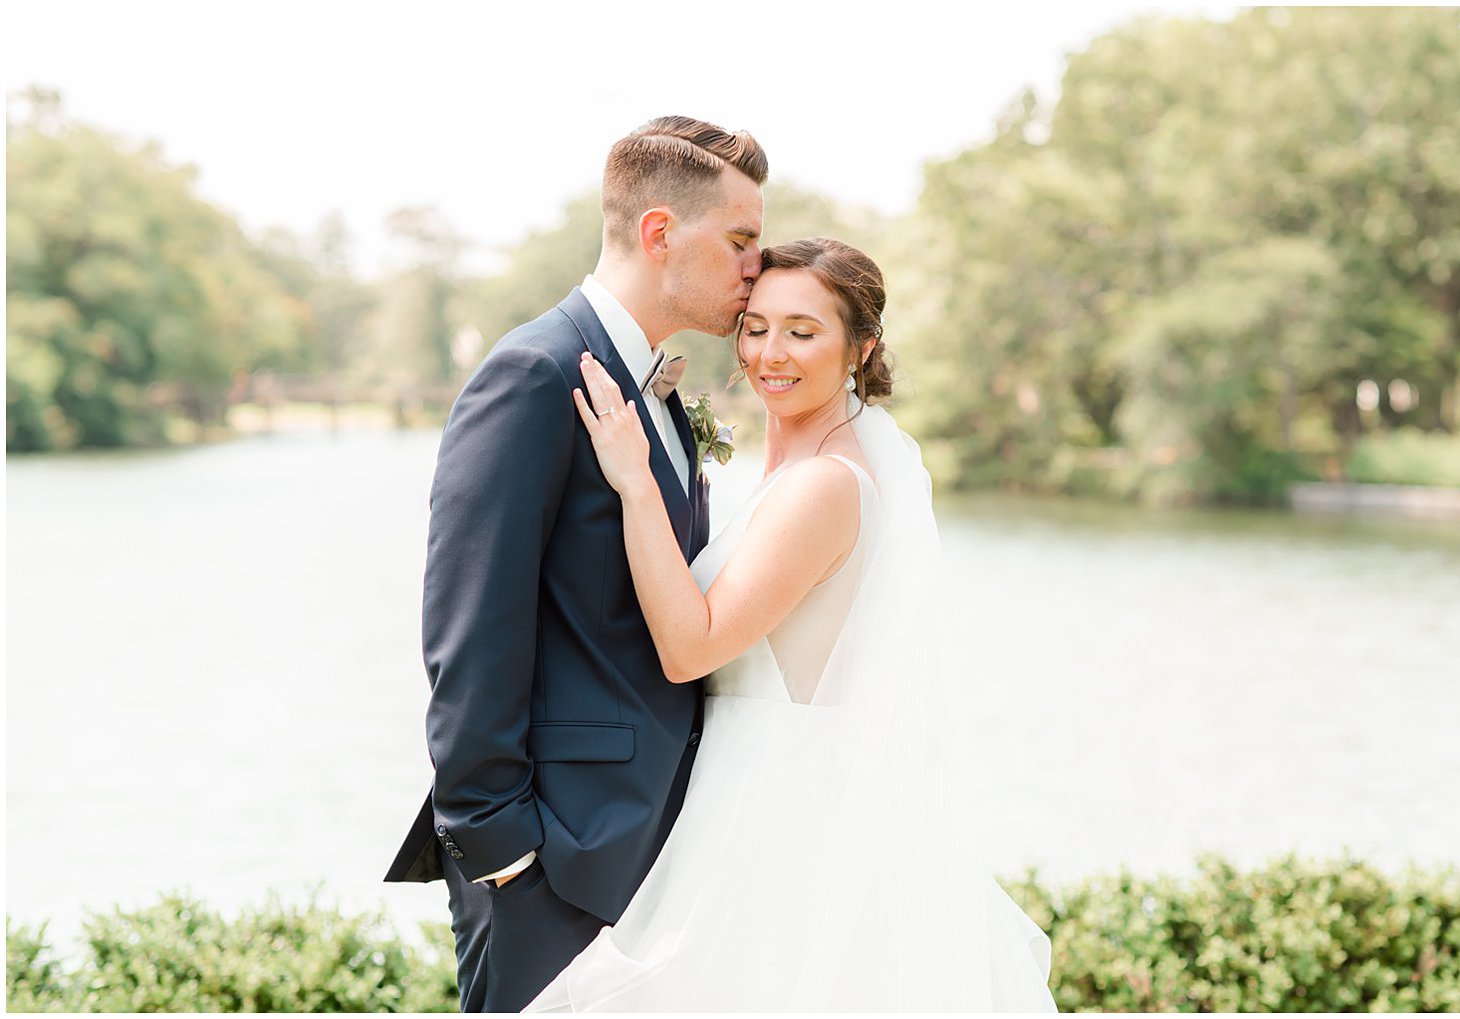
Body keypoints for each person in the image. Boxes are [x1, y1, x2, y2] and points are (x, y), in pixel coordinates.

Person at [527, 238, 1057, 1011]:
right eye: (756, 326)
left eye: (803, 331)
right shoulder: (793, 472)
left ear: (861, 346)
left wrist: (635, 481)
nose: (770, 353)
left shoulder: (824, 488)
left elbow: (690, 646)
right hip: (745, 798)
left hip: (774, 821)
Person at [383, 115, 767, 1013]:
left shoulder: (661, 396)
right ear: (659, 230)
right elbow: (470, 628)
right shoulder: (533, 372)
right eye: (742, 239)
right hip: (552, 870)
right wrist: (503, 851)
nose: (757, 264)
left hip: (657, 855)